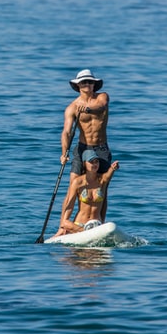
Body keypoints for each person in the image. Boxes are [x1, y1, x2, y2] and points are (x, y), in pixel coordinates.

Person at [59, 68, 112, 222]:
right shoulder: (72, 107)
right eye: (83, 82)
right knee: (72, 188)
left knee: (102, 188)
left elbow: (101, 107)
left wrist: (88, 109)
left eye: (90, 82)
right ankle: (63, 226)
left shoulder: (102, 97)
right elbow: (66, 133)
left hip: (101, 149)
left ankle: (99, 222)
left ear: (95, 84)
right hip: (82, 149)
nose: (87, 84)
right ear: (78, 86)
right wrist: (64, 153)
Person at [52, 150, 120, 238]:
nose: (95, 164)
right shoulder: (78, 182)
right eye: (91, 162)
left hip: (97, 225)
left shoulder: (102, 180)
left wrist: (113, 168)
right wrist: (64, 225)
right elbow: (70, 205)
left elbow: (109, 174)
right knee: (65, 223)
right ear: (84, 163)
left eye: (96, 161)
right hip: (80, 225)